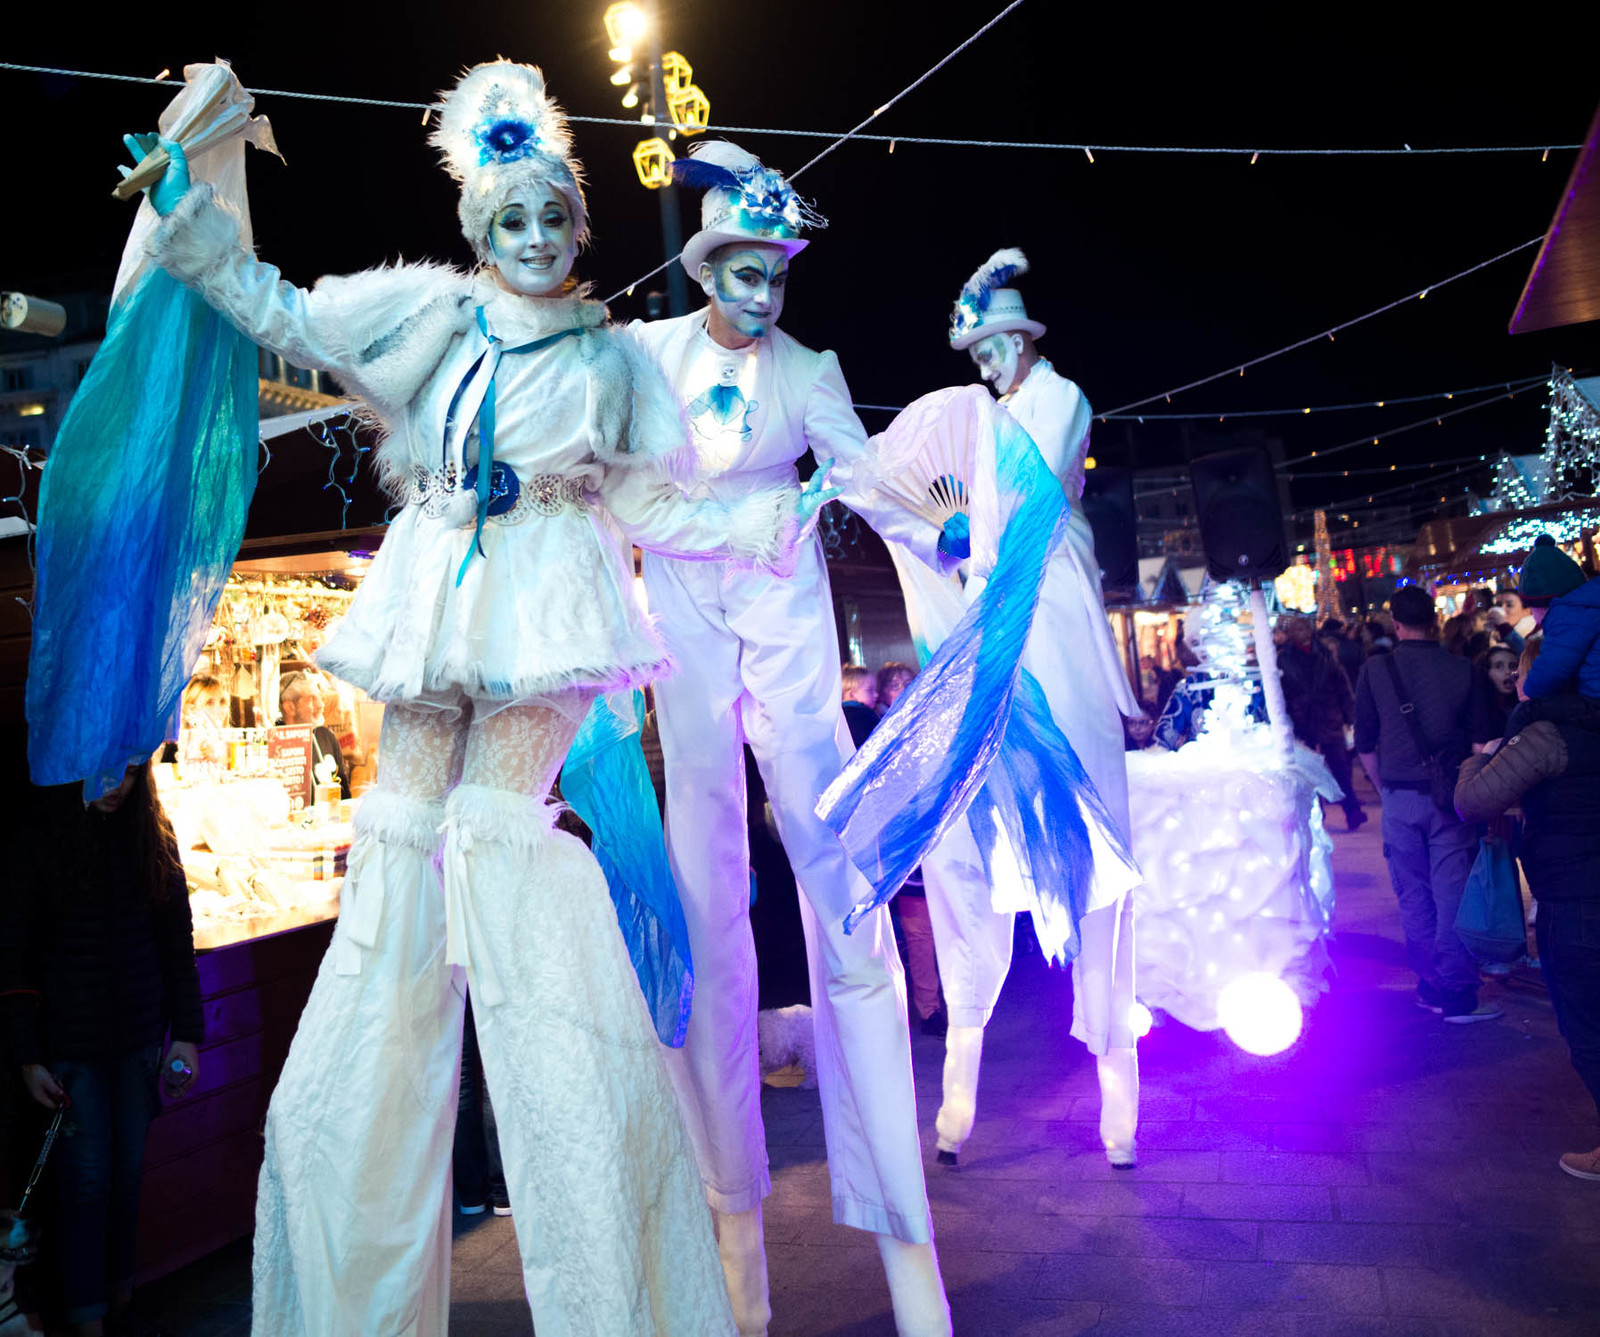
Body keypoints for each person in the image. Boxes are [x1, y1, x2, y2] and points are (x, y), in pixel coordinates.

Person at [123, 61, 833, 1334]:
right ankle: (362, 1229)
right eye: (511, 219)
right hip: (433, 597)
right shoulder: (436, 323)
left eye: (553, 217)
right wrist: (188, 226)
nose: (535, 237)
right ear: (478, 231)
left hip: (548, 609)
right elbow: (287, 313)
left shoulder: (614, 366)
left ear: (578, 227)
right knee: (399, 847)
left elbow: (656, 501)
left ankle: (588, 1192)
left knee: (499, 841)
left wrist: (774, 517)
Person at [628, 141, 949, 1335]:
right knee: (703, 875)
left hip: (779, 601)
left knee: (830, 855)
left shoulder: (811, 368)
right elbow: (600, 471)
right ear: (708, 267)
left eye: (777, 275)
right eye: (743, 272)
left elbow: (862, 478)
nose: (761, 295)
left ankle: (907, 1250)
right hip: (683, 605)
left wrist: (942, 536)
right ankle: (735, 1274)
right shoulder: (642, 357)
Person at [879, 249, 1141, 1170]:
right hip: (995, 613)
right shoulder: (980, 418)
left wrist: (975, 538)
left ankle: (1120, 1111)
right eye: (977, 348)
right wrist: (937, 537)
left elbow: (1028, 505)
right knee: (960, 847)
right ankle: (956, 1097)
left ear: (1025, 339)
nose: (987, 361)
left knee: (1098, 846)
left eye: (998, 343)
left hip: (1052, 609)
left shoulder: (1060, 400)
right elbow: (971, 528)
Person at [3, 762, 203, 1337]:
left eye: (129, 773)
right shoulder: (38, 838)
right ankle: (88, 1317)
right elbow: (12, 954)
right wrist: (27, 1057)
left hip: (140, 1041)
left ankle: (119, 1298)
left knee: (126, 1177)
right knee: (86, 1184)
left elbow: (176, 944)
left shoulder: (151, 836)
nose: (117, 786)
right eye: (104, 772)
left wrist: (185, 1036)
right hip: (69, 1050)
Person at [1454, 638, 1600, 1180]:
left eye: (1519, 671)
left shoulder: (1543, 735)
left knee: (1588, 1029)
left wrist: (1481, 758)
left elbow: (1474, 801)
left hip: (1578, 899)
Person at [1354, 584, 1499, 1022]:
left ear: (1396, 625)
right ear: (1435, 619)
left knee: (1413, 894)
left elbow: (1363, 744)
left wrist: (1385, 790)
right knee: (1451, 892)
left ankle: (1430, 985)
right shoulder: (1462, 669)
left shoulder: (1375, 671)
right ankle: (1457, 992)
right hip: (1450, 798)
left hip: (1399, 797)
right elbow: (1480, 743)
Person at [1279, 616, 1365, 831]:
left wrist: (1350, 716)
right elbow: (1282, 693)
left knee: (1341, 769)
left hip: (1329, 717)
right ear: (1289, 633)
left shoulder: (1325, 654)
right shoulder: (1283, 659)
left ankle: (1352, 810)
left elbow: (1342, 686)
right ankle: (1317, 814)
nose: (1302, 631)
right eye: (1296, 628)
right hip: (1302, 721)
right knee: (1308, 771)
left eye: (1304, 626)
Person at [1518, 534, 1598, 700]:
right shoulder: (1586, 604)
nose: (1533, 615)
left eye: (1532, 608)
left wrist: (1528, 691)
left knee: (1524, 715)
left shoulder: (1568, 615)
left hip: (1595, 700)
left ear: (1543, 604)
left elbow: (1552, 668)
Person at [277, 670, 351, 800]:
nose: (321, 705)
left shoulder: (327, 737)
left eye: (320, 697)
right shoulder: (276, 743)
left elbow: (344, 796)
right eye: (312, 699)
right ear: (290, 707)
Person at [1478, 643, 1521, 738]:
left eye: (1512, 666)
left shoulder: (1524, 706)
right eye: (1498, 666)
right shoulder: (1480, 711)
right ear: (1487, 672)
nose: (1508, 671)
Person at [840, 664, 879, 745]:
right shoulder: (866, 716)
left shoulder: (838, 716)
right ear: (851, 695)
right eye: (869, 690)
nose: (876, 695)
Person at [1495, 586, 1539, 654]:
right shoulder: (1496, 634)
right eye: (1499, 605)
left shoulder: (1536, 636)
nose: (1502, 609)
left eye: (1509, 605)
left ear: (1527, 611)